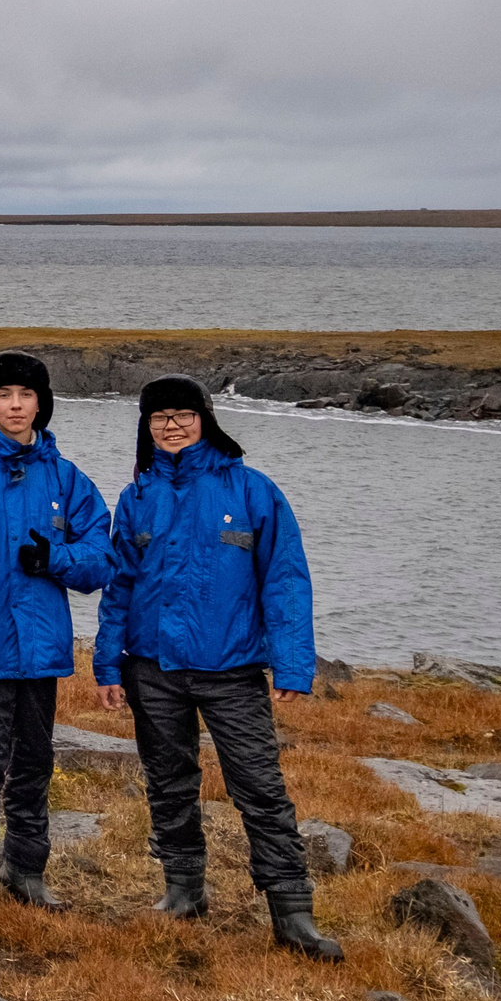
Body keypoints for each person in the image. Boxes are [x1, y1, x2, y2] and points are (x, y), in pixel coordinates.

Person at [95, 376, 341, 960]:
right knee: (169, 784)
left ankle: (292, 911)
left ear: (205, 419)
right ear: (145, 426)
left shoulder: (253, 491)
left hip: (232, 672)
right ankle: (183, 892)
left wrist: (292, 667)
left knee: (259, 786)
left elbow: (284, 580)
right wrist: (108, 664)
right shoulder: (137, 498)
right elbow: (119, 587)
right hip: (152, 670)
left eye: (182, 415)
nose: (170, 426)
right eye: (158, 418)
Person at [0, 352, 113, 914]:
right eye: (5, 394)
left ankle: (28, 868)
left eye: (26, 395)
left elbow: (101, 557)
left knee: (34, 762)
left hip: (40, 651)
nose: (15, 405)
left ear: (41, 404)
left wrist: (53, 559)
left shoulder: (66, 478)